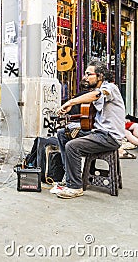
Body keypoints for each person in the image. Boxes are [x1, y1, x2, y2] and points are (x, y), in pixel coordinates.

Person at [55, 60, 125, 199]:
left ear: (100, 76)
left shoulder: (110, 88)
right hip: (98, 133)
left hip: (109, 137)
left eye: (89, 74)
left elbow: (97, 95)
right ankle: (69, 176)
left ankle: (75, 187)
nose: (85, 77)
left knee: (72, 146)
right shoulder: (95, 91)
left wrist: (70, 102)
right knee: (63, 134)